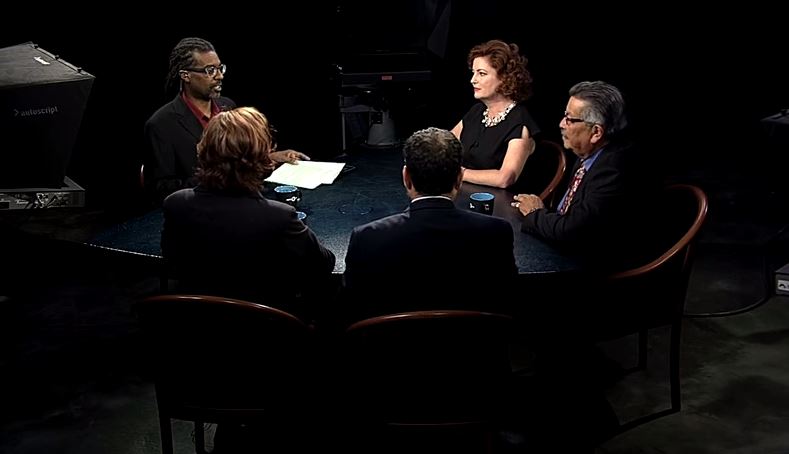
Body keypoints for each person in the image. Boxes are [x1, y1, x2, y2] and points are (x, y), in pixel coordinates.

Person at [161, 106, 335, 320]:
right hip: (266, 325)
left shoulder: (176, 204)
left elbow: (172, 261)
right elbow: (324, 265)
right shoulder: (278, 217)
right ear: (262, 157)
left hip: (196, 322)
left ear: (203, 150)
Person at [343, 127, 518, 321]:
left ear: (406, 177)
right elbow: (508, 303)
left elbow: (351, 309)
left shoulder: (367, 237)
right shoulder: (497, 233)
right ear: (459, 179)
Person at [512, 80, 657, 272]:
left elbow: (570, 231)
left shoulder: (614, 169)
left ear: (596, 132)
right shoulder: (589, 155)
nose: (561, 124)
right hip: (568, 251)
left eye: (570, 119)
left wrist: (535, 213)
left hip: (598, 272)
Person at [144, 37, 308, 204]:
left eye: (219, 68)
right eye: (210, 70)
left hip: (243, 201)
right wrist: (217, 178)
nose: (219, 76)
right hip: (200, 211)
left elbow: (239, 158)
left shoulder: (228, 106)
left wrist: (270, 157)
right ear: (186, 76)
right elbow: (161, 189)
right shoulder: (161, 124)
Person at [451, 39, 540, 190]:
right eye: (474, 73)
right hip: (465, 193)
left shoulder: (519, 121)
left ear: (504, 78)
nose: (473, 80)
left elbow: (505, 178)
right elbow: (445, 145)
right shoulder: (476, 112)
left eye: (482, 74)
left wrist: (459, 173)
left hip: (499, 205)